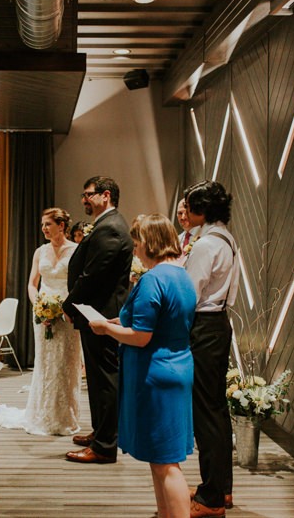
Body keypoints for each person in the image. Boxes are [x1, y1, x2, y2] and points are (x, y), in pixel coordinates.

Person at [90, 214, 196, 518]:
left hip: (156, 373)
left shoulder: (153, 279)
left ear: (149, 243)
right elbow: (161, 322)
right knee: (160, 457)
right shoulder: (180, 275)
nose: (135, 251)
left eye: (137, 245)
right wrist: (115, 321)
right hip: (176, 367)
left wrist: (105, 329)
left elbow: (140, 337)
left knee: (165, 462)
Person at [62, 176, 133, 464]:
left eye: (88, 194)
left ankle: (105, 446)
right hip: (96, 312)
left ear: (106, 195)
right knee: (96, 378)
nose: (83, 200)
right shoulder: (107, 224)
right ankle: (101, 432)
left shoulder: (111, 228)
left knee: (104, 380)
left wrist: (68, 304)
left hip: (101, 314)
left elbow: (92, 275)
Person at [0, 208, 83, 435]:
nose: (43, 228)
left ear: (61, 225)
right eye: (42, 224)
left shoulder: (76, 251)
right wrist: (39, 306)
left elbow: (80, 284)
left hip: (67, 314)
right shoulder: (39, 251)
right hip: (42, 315)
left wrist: (65, 307)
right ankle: (42, 414)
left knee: (65, 365)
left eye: (48, 224)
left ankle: (64, 417)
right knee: (45, 364)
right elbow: (32, 284)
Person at [183, 180, 240, 518]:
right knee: (217, 410)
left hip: (203, 326)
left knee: (206, 414)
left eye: (189, 207)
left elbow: (189, 294)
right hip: (219, 325)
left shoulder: (205, 245)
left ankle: (211, 499)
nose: (185, 213)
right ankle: (221, 488)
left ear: (200, 210)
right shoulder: (226, 237)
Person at [176, 193, 202, 267]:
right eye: (180, 213)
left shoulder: (204, 236)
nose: (183, 217)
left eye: (186, 213)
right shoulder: (176, 239)